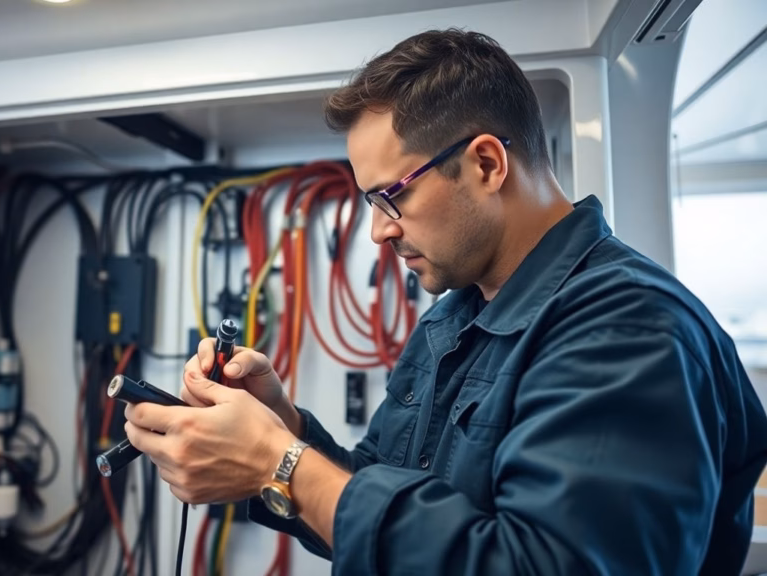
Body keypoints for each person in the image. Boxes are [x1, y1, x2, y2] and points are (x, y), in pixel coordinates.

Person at [124, 28, 767, 575]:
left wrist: (279, 463)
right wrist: (280, 425)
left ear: (486, 163)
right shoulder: (457, 315)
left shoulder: (628, 328)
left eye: (391, 197)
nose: (379, 230)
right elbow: (375, 492)